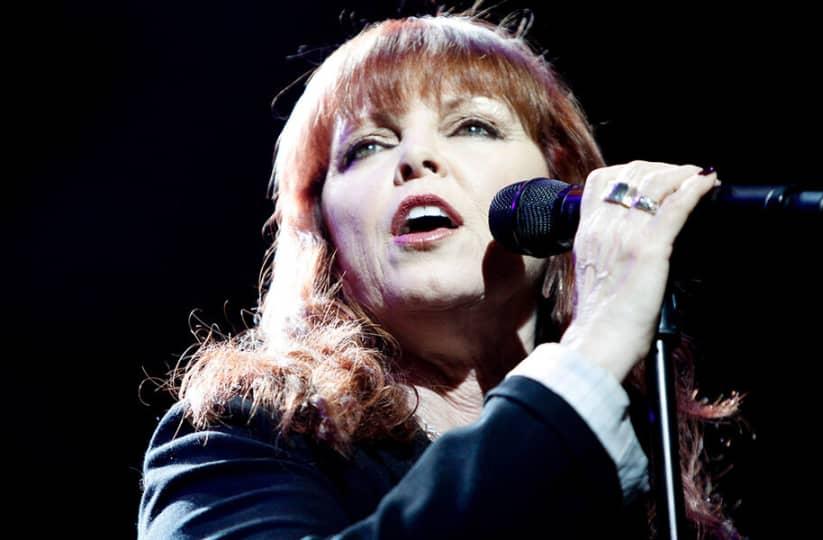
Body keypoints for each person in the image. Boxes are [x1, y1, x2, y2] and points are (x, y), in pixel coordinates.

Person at [137, 7, 744, 539]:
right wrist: (597, 344)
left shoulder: (646, 453)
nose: (416, 159)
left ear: (563, 191)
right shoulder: (241, 438)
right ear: (325, 232)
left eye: (473, 126)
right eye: (368, 146)